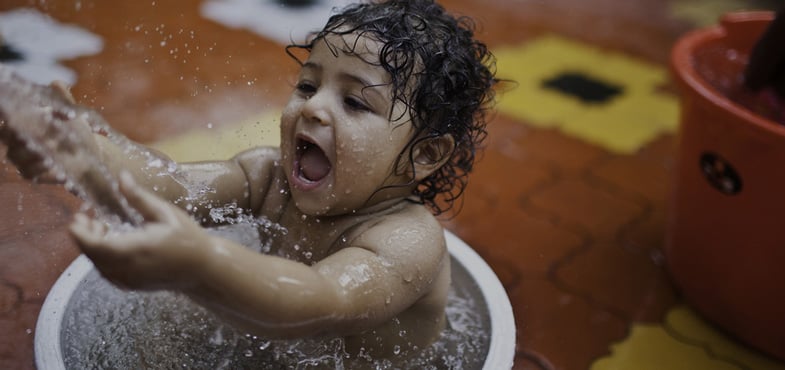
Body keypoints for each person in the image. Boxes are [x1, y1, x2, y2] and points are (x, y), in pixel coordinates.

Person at [3, 0, 496, 359]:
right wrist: (84, 154)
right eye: (308, 84)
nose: (313, 107)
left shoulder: (406, 243)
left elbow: (318, 300)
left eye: (355, 102)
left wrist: (198, 264)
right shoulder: (271, 177)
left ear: (424, 154)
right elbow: (171, 185)